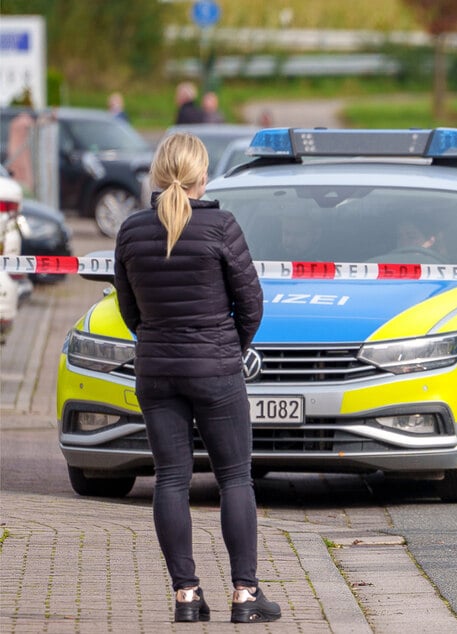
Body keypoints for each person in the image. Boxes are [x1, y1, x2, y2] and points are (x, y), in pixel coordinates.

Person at [113, 132, 282, 623]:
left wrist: (158, 341)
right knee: (234, 478)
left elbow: (129, 309)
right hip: (216, 370)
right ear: (201, 176)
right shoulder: (221, 226)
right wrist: (231, 347)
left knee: (170, 479)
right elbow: (251, 303)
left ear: (158, 173)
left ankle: (186, 596)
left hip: (157, 370)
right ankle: (245, 596)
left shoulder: (131, 231)